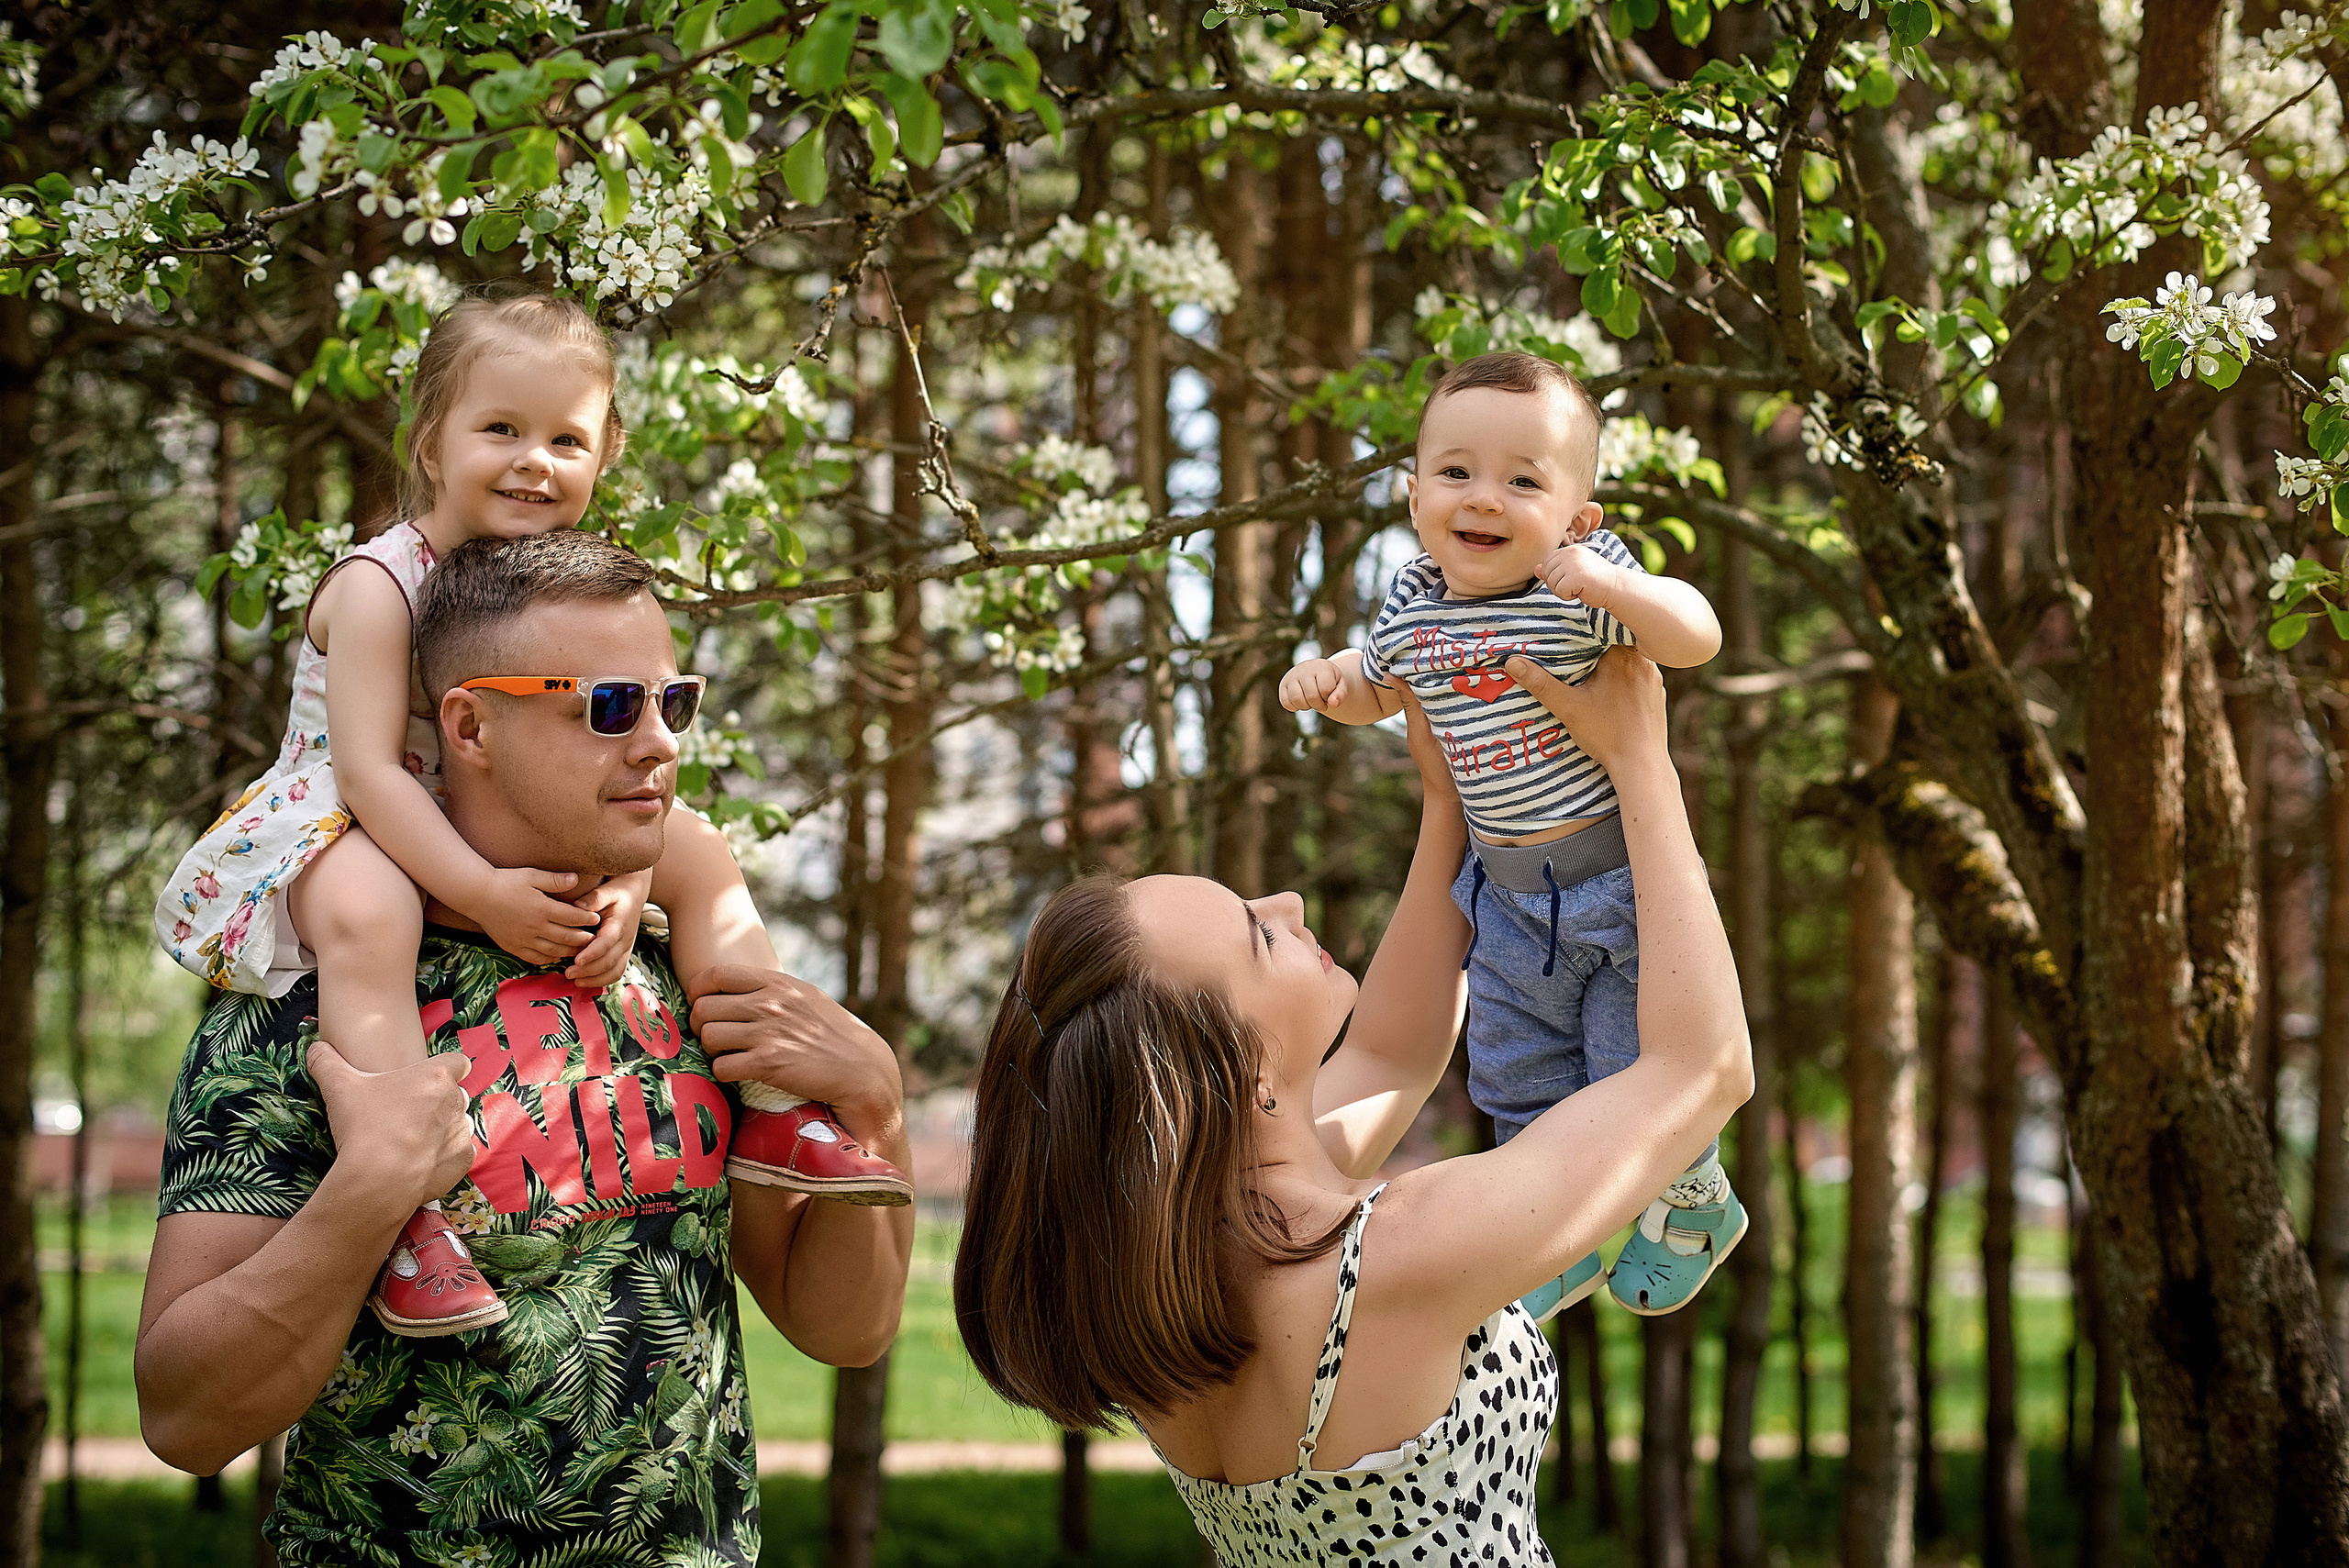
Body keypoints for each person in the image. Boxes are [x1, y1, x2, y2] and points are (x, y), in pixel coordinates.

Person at [138, 531, 915, 1566]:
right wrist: (369, 1190)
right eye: (606, 706)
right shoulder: (309, 998)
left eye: (670, 701)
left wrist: (877, 1109)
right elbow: (185, 1420)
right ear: (469, 725)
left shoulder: (682, 967)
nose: (658, 745)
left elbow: (842, 1328)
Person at [153, 293, 907, 1336]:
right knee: (373, 912)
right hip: (346, 817)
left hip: (465, 810)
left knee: (702, 853)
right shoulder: (383, 583)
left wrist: (629, 882)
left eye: (566, 438)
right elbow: (369, 772)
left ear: (606, 455)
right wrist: (485, 894)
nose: (533, 462)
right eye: (499, 429)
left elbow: (619, 784)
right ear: (431, 441)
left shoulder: (562, 582)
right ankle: (408, 1199)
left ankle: (778, 1108)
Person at [954, 650, 1749, 1565]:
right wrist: (1640, 757)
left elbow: (1391, 1048)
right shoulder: (1396, 1255)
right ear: (1244, 1069)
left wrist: (1452, 797)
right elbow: (1702, 1068)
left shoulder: (1175, 1267)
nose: (1286, 900)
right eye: (1258, 932)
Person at [1277, 350, 1732, 1318]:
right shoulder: (1411, 600)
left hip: (1616, 886)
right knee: (1514, 1071)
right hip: (1506, 895)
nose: (1482, 496)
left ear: (1576, 520)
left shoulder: (1582, 582)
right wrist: (1331, 681)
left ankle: (1692, 1201)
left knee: (1628, 1067)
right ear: (1411, 496)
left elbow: (1696, 634)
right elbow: (1379, 686)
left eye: (1522, 480)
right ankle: (1544, 1240)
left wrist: (1616, 594)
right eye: (1455, 471)